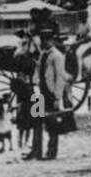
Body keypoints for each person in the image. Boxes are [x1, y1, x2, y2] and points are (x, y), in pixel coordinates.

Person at [28, 31, 67, 161]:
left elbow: (60, 77)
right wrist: (35, 83)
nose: (45, 43)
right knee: (37, 121)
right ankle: (36, 151)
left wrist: (57, 97)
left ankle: (51, 152)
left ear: (52, 41)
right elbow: (37, 71)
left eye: (47, 40)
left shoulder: (57, 56)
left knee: (52, 123)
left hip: (50, 93)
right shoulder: (43, 55)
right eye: (43, 40)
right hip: (40, 92)